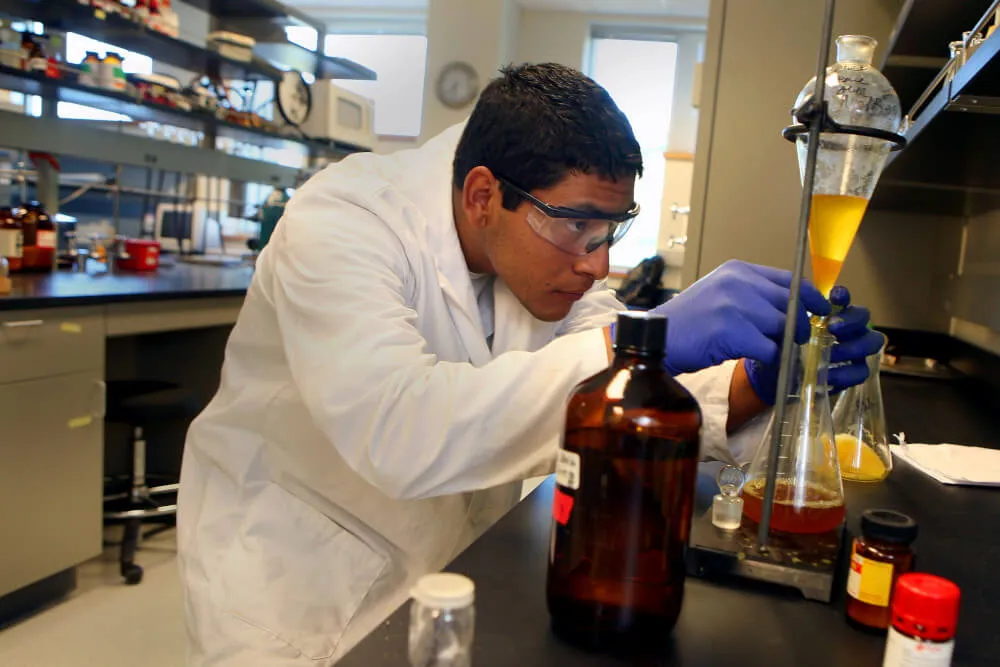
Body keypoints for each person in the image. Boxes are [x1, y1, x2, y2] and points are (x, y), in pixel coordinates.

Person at [177, 63, 883, 665]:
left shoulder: (545, 258)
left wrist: (751, 385)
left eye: (612, 230)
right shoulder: (340, 224)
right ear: (484, 195)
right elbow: (396, 426)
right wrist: (635, 339)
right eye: (577, 226)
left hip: (439, 564)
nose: (598, 261)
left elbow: (611, 389)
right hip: (294, 580)